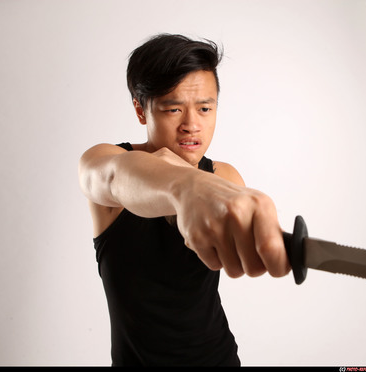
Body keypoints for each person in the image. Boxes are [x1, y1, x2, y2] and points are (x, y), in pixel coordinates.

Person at [78, 33, 291, 366]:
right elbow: (115, 175)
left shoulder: (224, 177)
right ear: (140, 109)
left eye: (205, 108)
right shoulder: (104, 160)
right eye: (174, 108)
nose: (192, 125)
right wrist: (187, 186)